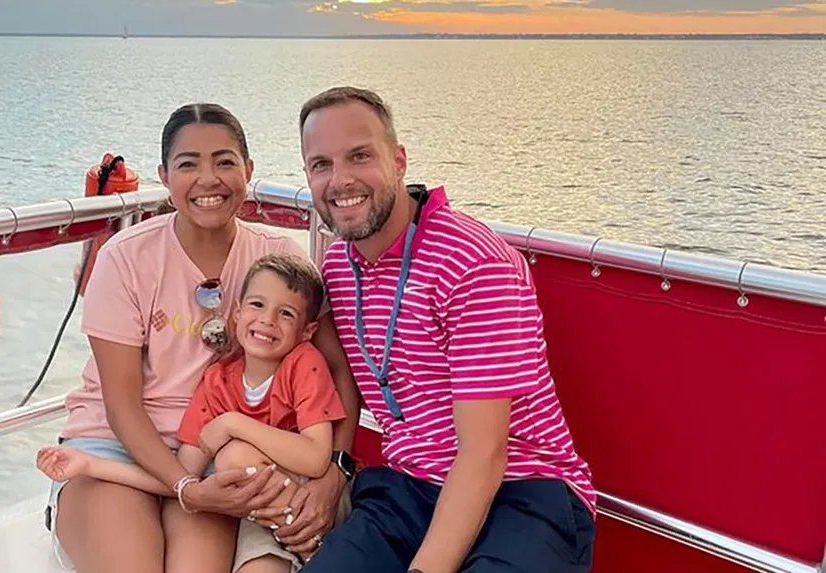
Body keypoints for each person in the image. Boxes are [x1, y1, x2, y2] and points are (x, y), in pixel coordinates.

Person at [257, 86, 598, 572]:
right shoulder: (338, 264)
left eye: (359, 156)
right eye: (321, 165)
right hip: (410, 487)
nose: (341, 180)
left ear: (398, 161)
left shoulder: (471, 262)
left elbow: (485, 454)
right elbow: (343, 373)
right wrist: (337, 468)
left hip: (523, 490)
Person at [47, 102, 360, 573]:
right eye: (188, 164)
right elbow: (122, 406)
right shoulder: (126, 258)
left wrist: (336, 471)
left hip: (213, 454)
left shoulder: (276, 258)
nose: (208, 179)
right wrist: (183, 487)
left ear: (249, 170)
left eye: (225, 161)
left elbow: (337, 370)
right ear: (164, 176)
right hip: (114, 447)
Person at [38, 252, 347, 572]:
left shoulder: (305, 364)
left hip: (301, 500)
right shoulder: (219, 382)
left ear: (307, 331)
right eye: (257, 306)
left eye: (285, 313)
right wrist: (90, 464)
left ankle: (311, 546)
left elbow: (315, 458)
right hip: (254, 517)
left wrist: (233, 423)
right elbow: (184, 476)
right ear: (237, 314)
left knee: (234, 457)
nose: (267, 320)